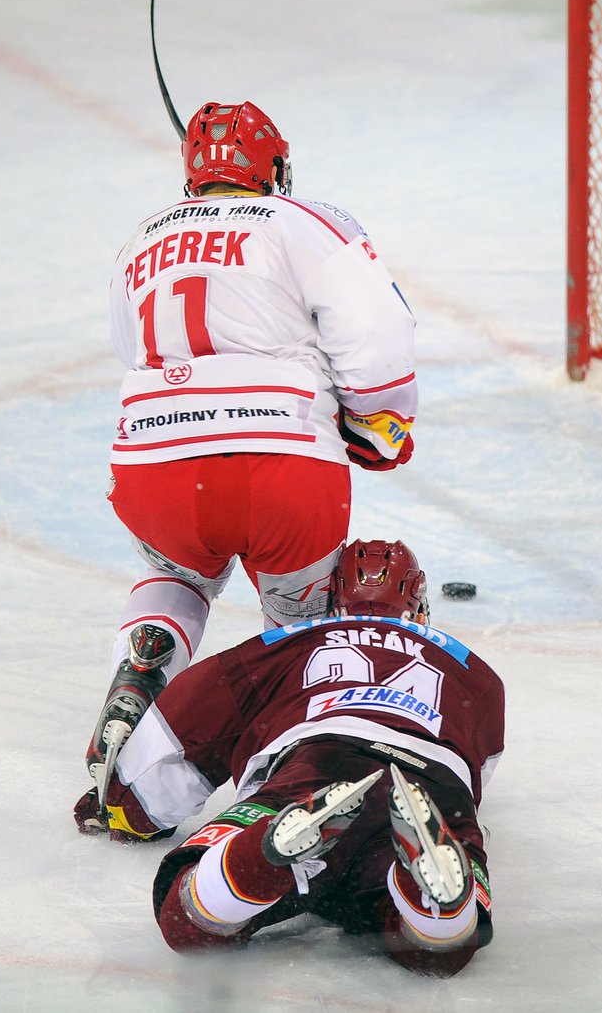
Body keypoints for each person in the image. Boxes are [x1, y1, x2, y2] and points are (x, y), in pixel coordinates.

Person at [86, 101, 417, 798]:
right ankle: (284, 776)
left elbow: (131, 348)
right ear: (273, 166)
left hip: (154, 465)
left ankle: (142, 671)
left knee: (180, 577)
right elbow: (378, 332)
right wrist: (380, 420)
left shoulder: (139, 238)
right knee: (297, 628)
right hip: (283, 466)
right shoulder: (308, 221)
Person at [75, 539, 504, 978]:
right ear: (418, 603)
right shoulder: (478, 675)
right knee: (436, 953)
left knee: (187, 920)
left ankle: (263, 854)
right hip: (432, 785)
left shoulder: (287, 642)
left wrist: (123, 806)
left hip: (318, 767)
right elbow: (475, 776)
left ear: (332, 599)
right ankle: (428, 901)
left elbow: (184, 735)